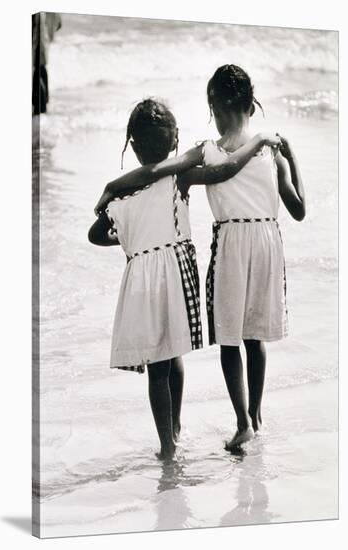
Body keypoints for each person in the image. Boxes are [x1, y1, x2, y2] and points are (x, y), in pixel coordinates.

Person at [89, 99, 281, 460]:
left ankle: (168, 443)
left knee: (157, 367)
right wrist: (259, 143)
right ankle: (175, 429)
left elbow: (95, 234)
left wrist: (128, 237)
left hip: (141, 280)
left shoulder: (123, 194)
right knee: (172, 353)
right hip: (175, 276)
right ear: (174, 140)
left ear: (132, 143)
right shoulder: (180, 179)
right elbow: (221, 172)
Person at [203, 64, 306, 449]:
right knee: (254, 336)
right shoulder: (269, 154)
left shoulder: (210, 153)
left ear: (215, 105)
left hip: (231, 242)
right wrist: (291, 158)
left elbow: (221, 172)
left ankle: (243, 420)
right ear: (250, 105)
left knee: (230, 338)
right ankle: (255, 415)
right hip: (266, 241)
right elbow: (299, 211)